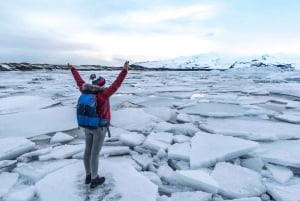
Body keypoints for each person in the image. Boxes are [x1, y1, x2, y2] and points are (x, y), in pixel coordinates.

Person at [68, 61, 129, 188]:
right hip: (99, 128)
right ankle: (95, 179)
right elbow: (117, 84)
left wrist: (73, 69)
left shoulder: (85, 91)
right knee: (95, 153)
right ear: (102, 85)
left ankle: (88, 175)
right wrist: (124, 71)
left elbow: (79, 81)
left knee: (87, 152)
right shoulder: (104, 94)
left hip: (87, 127)